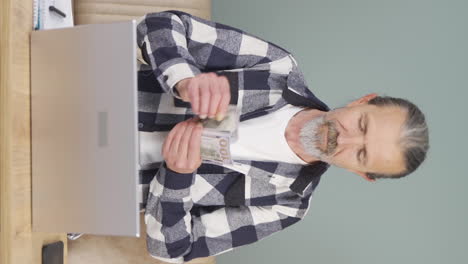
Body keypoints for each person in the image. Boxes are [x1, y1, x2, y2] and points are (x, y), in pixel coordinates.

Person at [136, 10, 429, 264]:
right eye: (362, 125)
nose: (344, 140)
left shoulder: (287, 205)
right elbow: (160, 25)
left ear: (361, 173)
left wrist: (177, 178)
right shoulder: (277, 68)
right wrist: (184, 80)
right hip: (102, 96)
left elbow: (172, 250)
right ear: (363, 101)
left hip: (102, 187)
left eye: (361, 154)